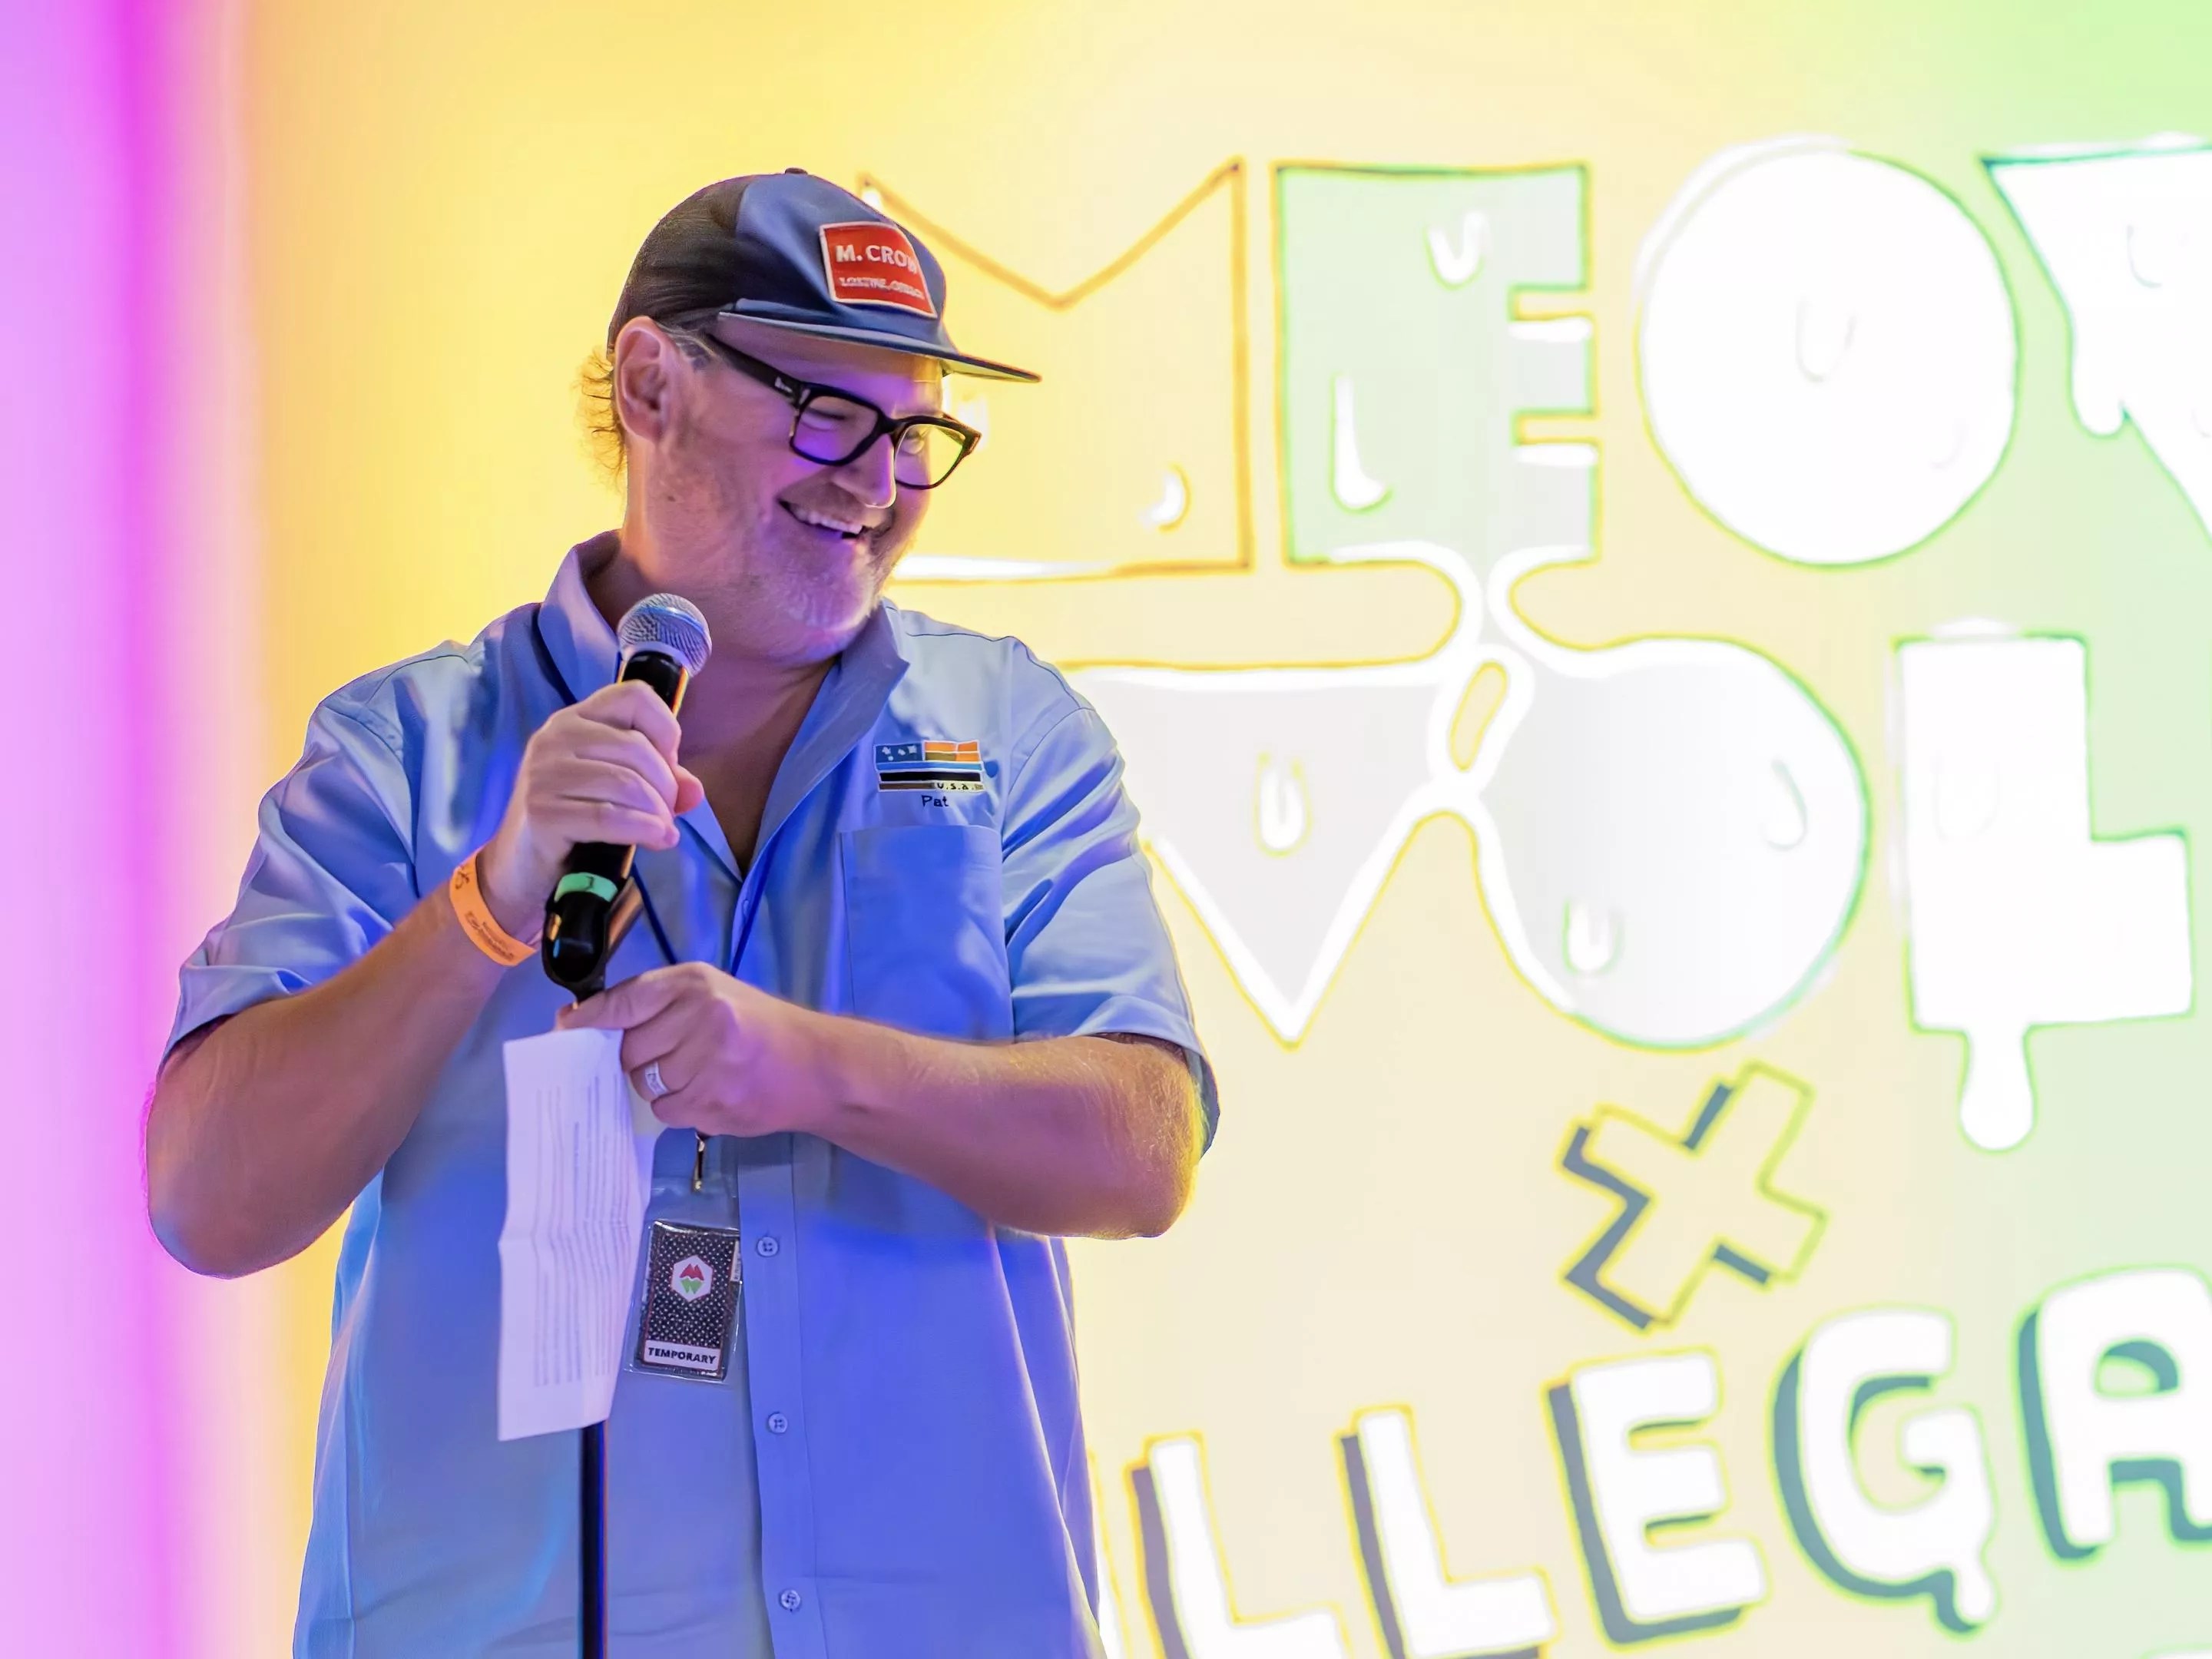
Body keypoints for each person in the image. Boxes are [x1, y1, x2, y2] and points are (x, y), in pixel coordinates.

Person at [145, 170, 1217, 1657]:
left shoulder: (1009, 734)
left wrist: (807, 1071)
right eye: (826, 415)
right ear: (651, 384)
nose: (876, 483)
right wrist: (488, 900)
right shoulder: (407, 752)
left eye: (914, 434)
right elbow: (208, 1200)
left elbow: (1145, 1149)